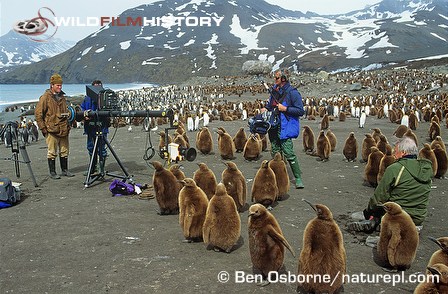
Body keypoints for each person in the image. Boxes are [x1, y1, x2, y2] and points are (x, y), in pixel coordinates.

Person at [348, 136, 433, 232]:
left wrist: (368, 212)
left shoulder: (396, 168)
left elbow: (379, 196)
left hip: (397, 215)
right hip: (418, 218)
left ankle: (375, 221)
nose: (393, 153)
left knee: (381, 205)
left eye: (396, 151)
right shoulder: (427, 169)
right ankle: (385, 224)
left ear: (404, 152)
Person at [261, 68, 305, 189]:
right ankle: (278, 176)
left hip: (285, 126)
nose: (274, 80)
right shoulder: (274, 91)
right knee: (275, 151)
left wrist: (286, 109)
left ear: (284, 79)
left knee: (288, 152)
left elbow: (301, 111)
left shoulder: (292, 93)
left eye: (276, 78)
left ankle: (298, 178)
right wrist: (266, 109)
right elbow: (270, 105)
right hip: (273, 125)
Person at [35, 73, 74, 179]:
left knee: (64, 150)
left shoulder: (62, 97)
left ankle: (64, 170)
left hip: (63, 128)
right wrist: (43, 128)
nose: (60, 87)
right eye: (57, 85)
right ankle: (52, 172)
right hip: (51, 128)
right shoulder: (45, 97)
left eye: (61, 85)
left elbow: (67, 111)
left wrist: (69, 122)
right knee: (52, 152)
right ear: (51, 85)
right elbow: (38, 113)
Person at [80, 80, 109, 176]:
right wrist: (84, 115)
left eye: (99, 87)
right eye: (95, 87)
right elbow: (81, 109)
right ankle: (92, 168)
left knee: (102, 149)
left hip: (102, 127)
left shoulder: (105, 98)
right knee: (91, 148)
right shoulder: (87, 99)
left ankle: (101, 170)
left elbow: (108, 111)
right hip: (90, 128)